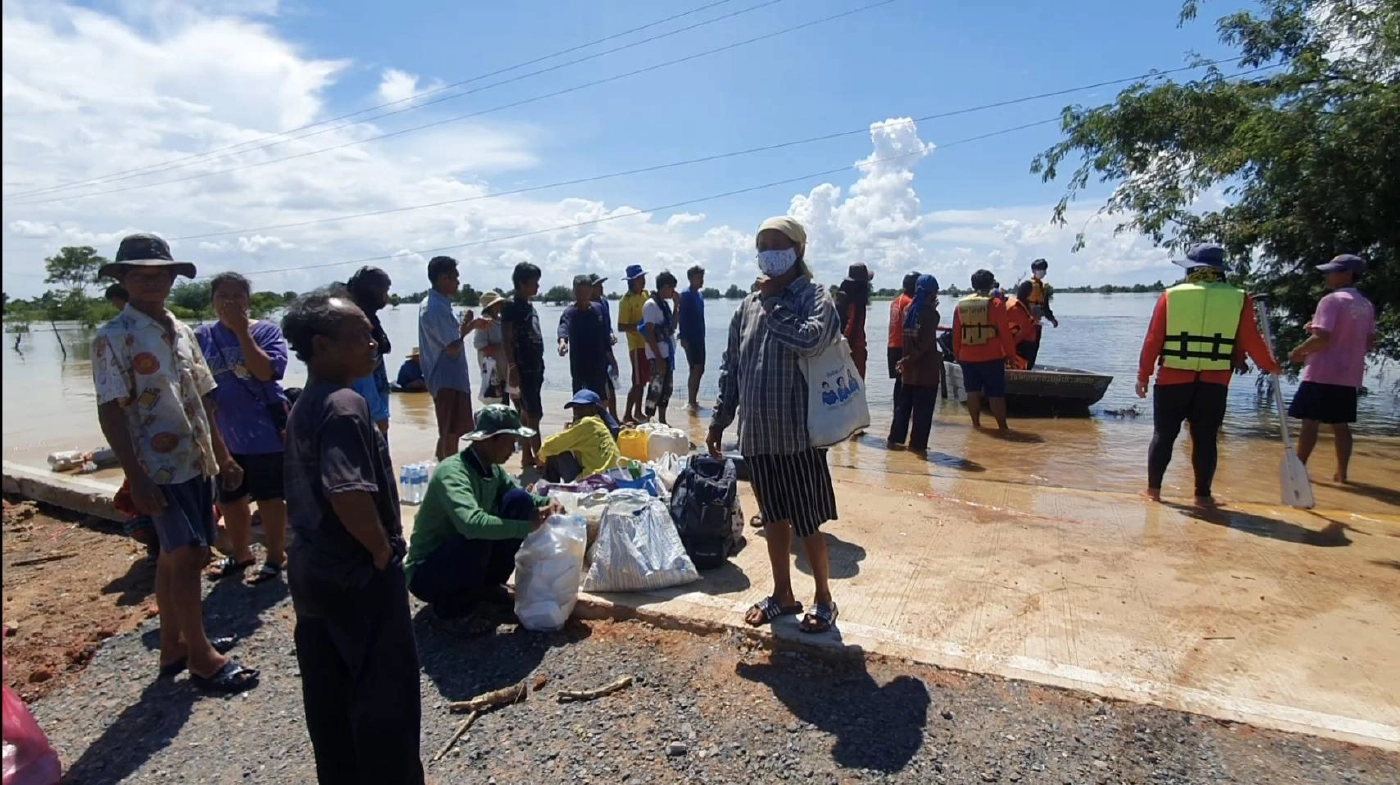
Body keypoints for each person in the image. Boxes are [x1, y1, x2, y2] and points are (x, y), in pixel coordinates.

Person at [91, 233, 257, 692]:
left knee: (174, 555)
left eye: (159, 274)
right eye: (139, 275)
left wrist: (223, 455)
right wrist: (136, 477)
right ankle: (202, 657)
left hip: (196, 458)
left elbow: (205, 397)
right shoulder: (113, 338)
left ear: (171, 279)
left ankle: (174, 644)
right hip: (156, 466)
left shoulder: (182, 331)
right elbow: (110, 410)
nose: (151, 282)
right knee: (191, 554)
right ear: (122, 280)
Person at [280, 290, 422, 783]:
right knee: (385, 698)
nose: (375, 346)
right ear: (322, 345)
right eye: (362, 337)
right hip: (357, 574)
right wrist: (381, 549)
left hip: (313, 572)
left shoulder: (307, 400)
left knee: (331, 697)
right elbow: (347, 491)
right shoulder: (345, 405)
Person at [707, 216, 841, 635]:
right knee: (774, 519)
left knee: (808, 522)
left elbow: (812, 339)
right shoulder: (746, 306)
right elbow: (732, 368)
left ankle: (824, 598)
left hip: (799, 436)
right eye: (762, 245)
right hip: (758, 436)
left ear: (798, 250)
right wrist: (718, 421)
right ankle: (783, 594)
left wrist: (776, 301)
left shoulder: (814, 297)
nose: (768, 253)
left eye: (777, 244)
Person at [1136, 243, 1279, 506]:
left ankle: (1153, 492)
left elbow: (1153, 340)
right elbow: (1250, 339)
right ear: (1220, 270)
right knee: (1205, 439)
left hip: (1173, 378)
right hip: (1214, 380)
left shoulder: (1171, 296)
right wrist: (1269, 365)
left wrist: (1143, 375)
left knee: (1164, 435)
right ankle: (1202, 496)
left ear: (1191, 269)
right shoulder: (1239, 297)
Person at [407, 405, 560, 625]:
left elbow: (515, 494)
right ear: (490, 440)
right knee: (478, 533)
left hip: (461, 554)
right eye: (511, 443)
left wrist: (548, 503)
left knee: (520, 502)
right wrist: (526, 526)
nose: (514, 450)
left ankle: (486, 588)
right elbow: (471, 524)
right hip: (427, 570)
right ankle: (452, 612)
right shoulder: (452, 472)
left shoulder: (492, 470)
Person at [195, 271, 290, 585]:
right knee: (231, 499)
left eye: (237, 296)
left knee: (269, 498)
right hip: (225, 435)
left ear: (248, 301)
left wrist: (241, 333)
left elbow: (266, 373)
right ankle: (240, 553)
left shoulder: (267, 331)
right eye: (223, 296)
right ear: (212, 301)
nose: (230, 302)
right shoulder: (202, 336)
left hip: (265, 432)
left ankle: (276, 556)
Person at [1287, 254, 1376, 483]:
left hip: (1321, 371)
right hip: (1349, 374)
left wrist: (1298, 352)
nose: (1328, 275)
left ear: (1347, 274)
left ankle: (1298, 468)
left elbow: (1322, 338)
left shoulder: (1331, 300)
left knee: (1310, 422)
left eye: (1333, 271)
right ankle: (1341, 474)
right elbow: (1368, 341)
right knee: (1340, 424)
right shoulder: (1365, 304)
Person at [418, 256, 485, 460]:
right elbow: (453, 347)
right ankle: (449, 477)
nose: (458, 282)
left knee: (449, 430)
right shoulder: (435, 307)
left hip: (450, 378)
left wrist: (465, 326)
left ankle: (440, 471)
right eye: (455, 277)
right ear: (443, 278)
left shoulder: (440, 304)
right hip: (445, 378)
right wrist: (470, 327)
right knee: (450, 434)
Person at [951, 269, 1023, 434]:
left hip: (967, 357)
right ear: (991, 284)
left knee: (972, 391)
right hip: (991, 357)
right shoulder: (996, 304)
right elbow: (1005, 333)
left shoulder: (961, 305)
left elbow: (956, 333)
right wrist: (1011, 356)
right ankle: (1003, 428)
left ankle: (976, 426)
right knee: (996, 394)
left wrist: (957, 354)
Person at [888, 274, 941, 452]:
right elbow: (925, 345)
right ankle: (917, 449)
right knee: (922, 416)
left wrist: (906, 362)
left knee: (902, 411)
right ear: (932, 293)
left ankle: (895, 445)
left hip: (909, 374)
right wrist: (908, 361)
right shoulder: (930, 314)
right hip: (925, 373)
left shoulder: (908, 309)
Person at [501, 262, 545, 467]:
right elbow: (506, 339)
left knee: (527, 413)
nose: (537, 287)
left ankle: (527, 455)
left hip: (535, 366)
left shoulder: (530, 306)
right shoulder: (511, 306)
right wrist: (512, 368)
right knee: (534, 414)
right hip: (523, 367)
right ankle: (542, 459)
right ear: (521, 283)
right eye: (534, 283)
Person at [537, 389, 623, 482]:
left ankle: (546, 491)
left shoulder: (587, 423)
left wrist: (540, 457)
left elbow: (549, 445)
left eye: (581, 407)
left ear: (594, 409)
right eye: (574, 407)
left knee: (554, 454)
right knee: (563, 448)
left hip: (594, 480)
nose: (576, 411)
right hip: (613, 478)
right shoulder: (600, 425)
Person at [347, 266, 393, 436]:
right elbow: (362, 375)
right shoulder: (359, 323)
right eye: (385, 290)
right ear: (373, 291)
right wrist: (378, 412)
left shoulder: (369, 317)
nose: (387, 296)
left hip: (372, 401)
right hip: (369, 407)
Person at [558, 274, 618, 401]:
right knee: (581, 400)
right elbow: (563, 327)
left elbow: (605, 337)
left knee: (602, 399)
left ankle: (601, 419)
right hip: (580, 365)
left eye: (586, 292)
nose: (583, 296)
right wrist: (562, 342)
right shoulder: (570, 312)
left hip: (599, 363)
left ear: (591, 291)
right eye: (579, 292)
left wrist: (612, 360)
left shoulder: (599, 309)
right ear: (574, 292)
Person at [641, 270, 679, 424]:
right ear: (664, 287)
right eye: (672, 288)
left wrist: (676, 305)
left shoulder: (664, 305)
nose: (673, 291)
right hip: (657, 355)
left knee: (666, 389)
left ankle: (662, 420)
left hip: (667, 353)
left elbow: (673, 326)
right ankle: (649, 419)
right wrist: (658, 358)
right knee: (655, 388)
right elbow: (649, 332)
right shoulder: (651, 305)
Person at [618, 264, 650, 423]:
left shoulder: (646, 295)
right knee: (636, 382)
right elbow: (620, 326)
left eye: (643, 278)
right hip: (636, 346)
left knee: (643, 381)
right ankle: (627, 414)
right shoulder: (626, 300)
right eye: (640, 279)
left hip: (648, 346)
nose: (643, 282)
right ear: (631, 282)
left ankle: (638, 411)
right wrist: (639, 327)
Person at [589, 274, 621, 417]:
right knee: (600, 388)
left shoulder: (604, 302)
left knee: (611, 385)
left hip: (607, 348)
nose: (601, 288)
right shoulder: (587, 306)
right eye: (598, 286)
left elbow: (607, 326)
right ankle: (601, 418)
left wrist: (611, 334)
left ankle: (613, 417)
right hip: (596, 353)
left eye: (602, 285)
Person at [834, 263, 874, 379]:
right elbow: (851, 327)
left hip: (840, 350)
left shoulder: (840, 298)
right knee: (857, 388)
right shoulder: (856, 303)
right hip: (854, 350)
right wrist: (847, 350)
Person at [1020, 258, 1059, 369]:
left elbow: (1045, 307)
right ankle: (1020, 369)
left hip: (1037, 324)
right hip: (1025, 324)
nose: (1043, 272)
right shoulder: (1026, 285)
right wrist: (1029, 311)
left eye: (1044, 270)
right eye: (1040, 269)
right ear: (1034, 270)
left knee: (1034, 347)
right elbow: (1018, 304)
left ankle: (1029, 369)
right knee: (1025, 347)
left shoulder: (1043, 288)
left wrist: (1052, 319)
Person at [678, 265, 707, 413]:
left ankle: (693, 400)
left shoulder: (699, 295)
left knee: (699, 369)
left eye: (702, 277)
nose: (701, 280)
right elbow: (682, 317)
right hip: (690, 338)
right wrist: (683, 337)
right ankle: (691, 401)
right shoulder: (686, 295)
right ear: (691, 279)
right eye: (698, 278)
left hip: (700, 337)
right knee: (695, 368)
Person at [473, 291, 509, 406]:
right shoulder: (484, 322)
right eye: (498, 304)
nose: (501, 306)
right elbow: (480, 346)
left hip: (504, 371)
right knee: (496, 406)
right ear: (491, 306)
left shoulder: (499, 320)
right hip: (493, 373)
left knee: (505, 404)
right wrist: (504, 345)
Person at [887, 272, 919, 404]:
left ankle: (897, 412)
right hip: (903, 347)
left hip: (893, 345)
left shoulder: (896, 300)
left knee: (899, 382)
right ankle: (904, 413)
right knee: (908, 382)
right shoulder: (910, 303)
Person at [1006, 281, 1039, 369]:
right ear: (1029, 293)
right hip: (1023, 346)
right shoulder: (1018, 308)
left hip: (1022, 344)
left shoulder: (1014, 304)